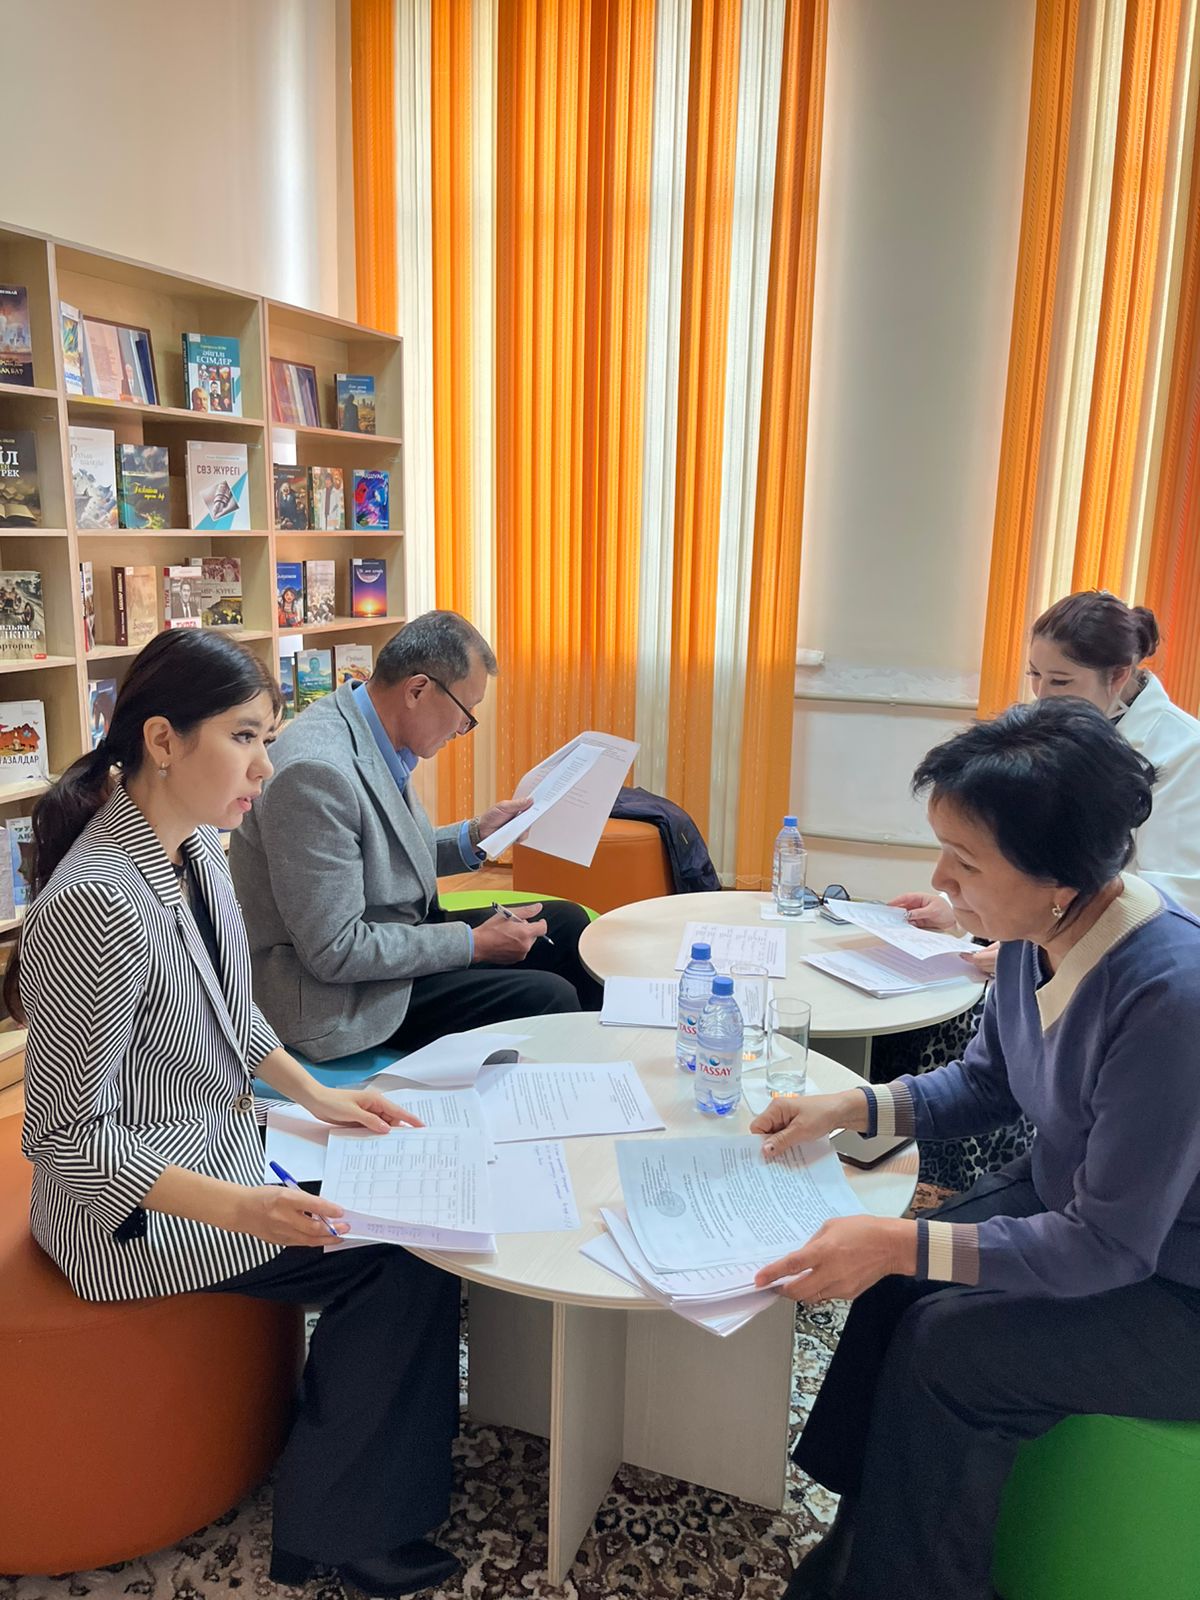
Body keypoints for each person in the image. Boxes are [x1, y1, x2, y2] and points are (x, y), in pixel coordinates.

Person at [15, 630, 463, 1598]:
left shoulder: (193, 848)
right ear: (163, 740)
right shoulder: (98, 905)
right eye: (246, 737)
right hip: (130, 1219)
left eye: (267, 737)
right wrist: (246, 1208)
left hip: (217, 1146)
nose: (266, 765)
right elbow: (62, 1136)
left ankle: (372, 1471)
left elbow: (234, 1011)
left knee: (415, 1205)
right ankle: (337, 1530)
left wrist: (316, 1095)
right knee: (395, 1261)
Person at [751, 697, 1200, 1600]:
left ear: (1057, 874)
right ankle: (866, 1537)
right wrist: (847, 1107)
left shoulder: (1170, 999)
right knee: (896, 1293)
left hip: (1174, 1280)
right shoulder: (1036, 936)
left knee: (947, 1348)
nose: (940, 879)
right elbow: (987, 1083)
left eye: (964, 860)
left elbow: (1109, 1247)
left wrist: (896, 1239)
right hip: (1081, 1208)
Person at [230, 610, 602, 1060]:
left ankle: (601, 1063)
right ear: (418, 690)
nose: (463, 730)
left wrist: (474, 837)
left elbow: (380, 851)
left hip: (390, 940)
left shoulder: (369, 729)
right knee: (548, 996)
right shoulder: (315, 774)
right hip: (340, 995)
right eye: (466, 712)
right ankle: (570, 1084)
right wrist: (473, 945)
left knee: (566, 925)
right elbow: (336, 951)